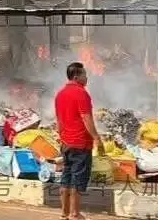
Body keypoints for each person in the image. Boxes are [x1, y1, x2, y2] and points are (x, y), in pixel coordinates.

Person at [55, 62, 104, 220]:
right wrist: (96, 137)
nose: (87, 77)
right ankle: (75, 214)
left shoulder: (60, 94)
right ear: (77, 77)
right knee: (77, 179)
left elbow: (59, 120)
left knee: (66, 177)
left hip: (66, 143)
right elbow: (86, 118)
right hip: (80, 144)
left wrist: (61, 136)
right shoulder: (81, 93)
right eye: (84, 74)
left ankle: (64, 213)